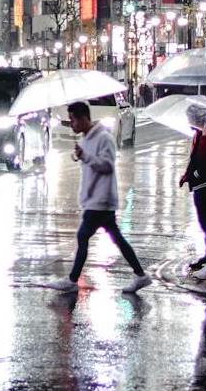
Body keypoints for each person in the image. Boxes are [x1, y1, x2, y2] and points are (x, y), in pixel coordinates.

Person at [50, 101, 152, 294]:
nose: (71, 124)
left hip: (101, 199)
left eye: (73, 120)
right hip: (93, 199)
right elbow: (86, 159)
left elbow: (106, 165)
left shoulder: (104, 138)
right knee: (117, 239)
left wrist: (85, 156)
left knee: (83, 236)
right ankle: (141, 275)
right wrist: (78, 155)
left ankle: (72, 280)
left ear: (83, 118)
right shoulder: (85, 138)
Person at [179, 106, 206, 279]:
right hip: (198, 185)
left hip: (204, 185)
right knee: (204, 222)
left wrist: (194, 175)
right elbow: (194, 159)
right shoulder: (197, 135)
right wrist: (187, 174)